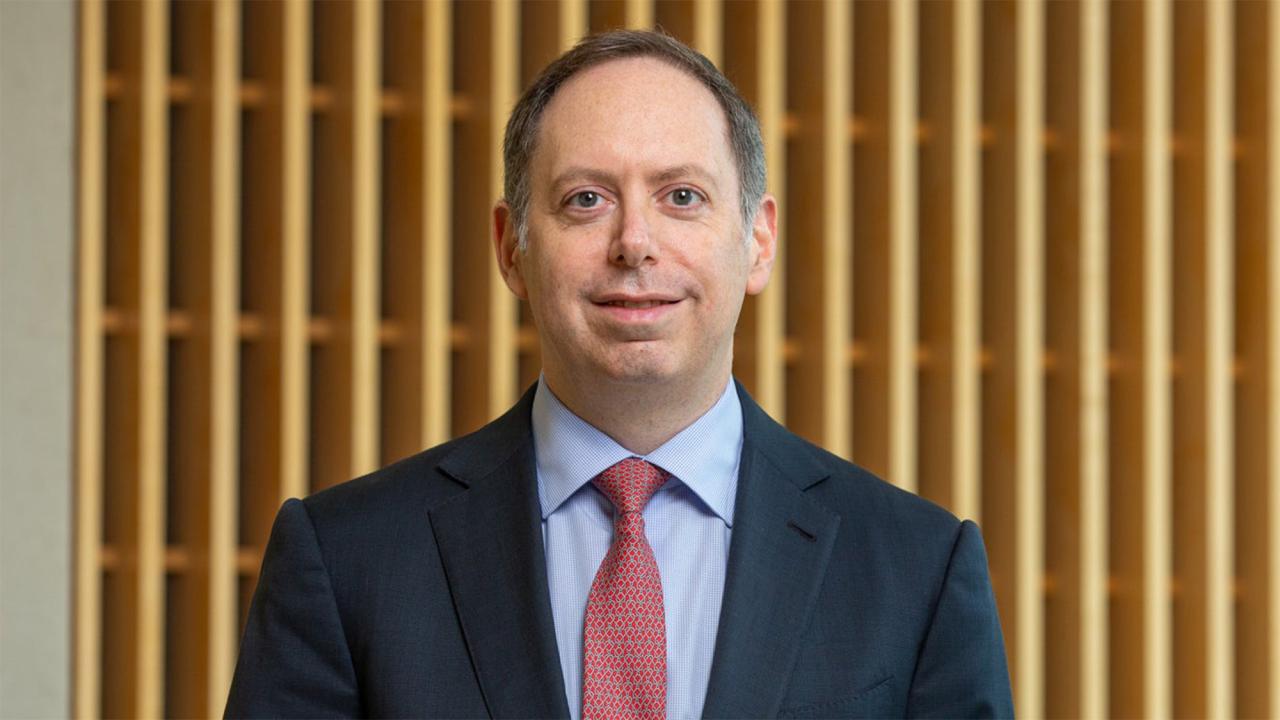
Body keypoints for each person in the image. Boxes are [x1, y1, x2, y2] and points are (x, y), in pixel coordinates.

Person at [225, 30, 1013, 719]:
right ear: (511, 248)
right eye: (586, 200)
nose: (635, 241)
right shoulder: (347, 561)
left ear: (758, 241)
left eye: (682, 196)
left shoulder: (917, 572)